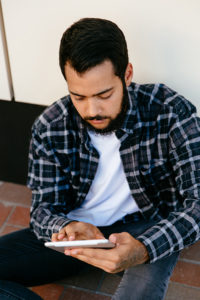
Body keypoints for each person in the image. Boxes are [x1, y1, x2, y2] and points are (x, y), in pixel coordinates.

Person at [0, 17, 200, 300]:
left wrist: (144, 248)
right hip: (79, 234)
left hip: (146, 229)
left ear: (127, 75)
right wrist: (65, 227)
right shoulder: (50, 126)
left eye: (104, 94)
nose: (92, 110)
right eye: (78, 97)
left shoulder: (170, 111)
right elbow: (43, 211)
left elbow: (197, 203)